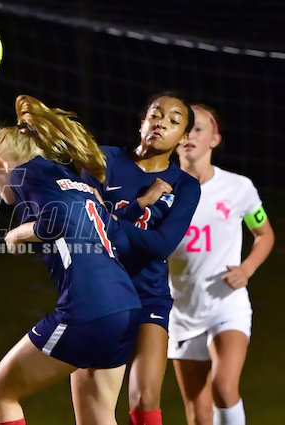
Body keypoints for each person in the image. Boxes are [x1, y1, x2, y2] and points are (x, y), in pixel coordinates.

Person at [0, 94, 142, 425]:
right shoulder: (74, 183)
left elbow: (57, 220)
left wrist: (19, 234)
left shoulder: (25, 173)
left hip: (88, 311)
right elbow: (119, 240)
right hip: (125, 308)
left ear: (0, 164)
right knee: (97, 417)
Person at [74, 91, 201, 425]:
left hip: (148, 296)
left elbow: (161, 245)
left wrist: (111, 221)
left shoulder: (185, 186)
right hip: (98, 295)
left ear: (183, 137)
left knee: (145, 399)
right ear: (142, 122)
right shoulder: (104, 160)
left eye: (174, 120)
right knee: (95, 407)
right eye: (155, 114)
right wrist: (141, 204)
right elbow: (85, 226)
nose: (161, 123)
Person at [167, 104, 274, 425]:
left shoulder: (239, 188)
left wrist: (247, 269)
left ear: (215, 139)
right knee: (198, 414)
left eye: (198, 129)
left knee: (224, 387)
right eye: (184, 129)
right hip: (182, 310)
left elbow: (264, 234)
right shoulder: (161, 191)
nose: (189, 135)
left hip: (227, 304)